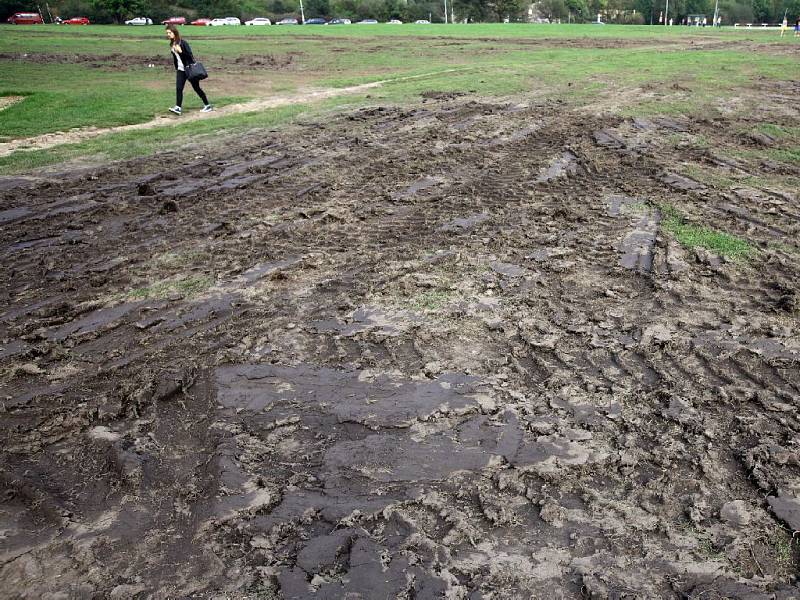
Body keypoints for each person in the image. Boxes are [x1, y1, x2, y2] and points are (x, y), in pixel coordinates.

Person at [165, 24, 212, 115]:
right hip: (180, 70)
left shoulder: (183, 43)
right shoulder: (172, 44)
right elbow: (176, 58)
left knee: (196, 88)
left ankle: (207, 105)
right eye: (167, 33)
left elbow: (190, 56)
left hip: (189, 69)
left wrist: (181, 51)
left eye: (170, 32)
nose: (168, 34)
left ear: (175, 32)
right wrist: (177, 67)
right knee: (179, 88)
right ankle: (178, 107)